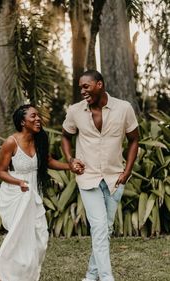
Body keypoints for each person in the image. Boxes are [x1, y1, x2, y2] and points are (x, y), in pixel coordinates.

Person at [61, 70, 139, 281]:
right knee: (98, 227)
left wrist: (127, 171)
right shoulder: (75, 111)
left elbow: (134, 140)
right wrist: (70, 160)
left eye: (86, 86)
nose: (82, 91)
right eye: (80, 87)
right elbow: (66, 136)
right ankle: (106, 278)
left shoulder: (123, 108)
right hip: (88, 178)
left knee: (107, 228)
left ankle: (90, 275)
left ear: (100, 85)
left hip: (116, 178)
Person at [0, 104, 76, 281]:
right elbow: (1, 172)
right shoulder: (11, 142)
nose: (38, 119)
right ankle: (5, 276)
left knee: (40, 238)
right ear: (23, 121)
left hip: (33, 194)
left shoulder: (39, 140)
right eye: (33, 116)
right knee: (19, 239)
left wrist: (71, 167)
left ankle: (27, 276)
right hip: (16, 194)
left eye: (38, 116)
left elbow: (48, 162)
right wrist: (19, 182)